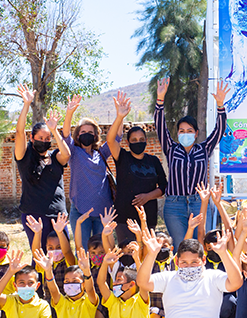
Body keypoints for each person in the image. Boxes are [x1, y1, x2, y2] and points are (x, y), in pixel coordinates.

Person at [154, 77, 230, 251]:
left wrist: (220, 105)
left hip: (199, 203)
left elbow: (219, 130)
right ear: (177, 133)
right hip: (174, 204)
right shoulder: (171, 148)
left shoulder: (204, 149)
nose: (185, 133)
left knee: (201, 245)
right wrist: (160, 100)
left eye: (189, 131)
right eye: (182, 131)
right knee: (182, 246)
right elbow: (160, 127)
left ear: (196, 134)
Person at [14, 84, 71, 250]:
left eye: (48, 138)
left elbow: (66, 154)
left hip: (58, 216)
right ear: (32, 138)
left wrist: (54, 130)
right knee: (40, 257)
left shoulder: (55, 156)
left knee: (63, 255)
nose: (45, 141)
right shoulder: (24, 157)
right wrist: (26, 105)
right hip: (34, 215)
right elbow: (19, 133)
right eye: (41, 137)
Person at [106, 91, 167, 241]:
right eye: (134, 139)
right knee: (128, 257)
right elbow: (110, 140)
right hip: (124, 218)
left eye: (141, 139)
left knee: (147, 256)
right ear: (128, 143)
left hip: (148, 218)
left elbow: (164, 186)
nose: (138, 142)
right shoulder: (122, 157)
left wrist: (148, 196)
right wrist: (120, 116)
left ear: (146, 140)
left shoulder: (153, 161)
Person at [62, 94, 116, 249]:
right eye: (83, 131)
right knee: (83, 251)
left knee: (103, 250)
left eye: (90, 132)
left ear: (95, 135)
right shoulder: (73, 152)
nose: (87, 134)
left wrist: (120, 116)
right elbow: (65, 135)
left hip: (103, 213)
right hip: (81, 212)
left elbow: (115, 138)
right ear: (78, 134)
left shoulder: (102, 153)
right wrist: (69, 113)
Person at [25, 213, 74, 302]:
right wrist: (38, 233)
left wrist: (60, 232)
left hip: (67, 303)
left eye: (59, 247)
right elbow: (36, 252)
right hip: (49, 303)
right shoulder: (45, 263)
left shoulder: (69, 262)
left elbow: (67, 252)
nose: (54, 250)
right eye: (50, 248)